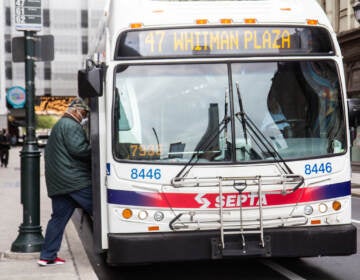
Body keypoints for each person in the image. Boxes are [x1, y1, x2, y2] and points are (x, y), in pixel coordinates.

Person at [38, 97, 92, 266]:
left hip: (59, 183)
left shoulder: (60, 125)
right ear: (75, 111)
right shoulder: (71, 125)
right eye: (83, 113)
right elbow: (79, 150)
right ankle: (112, 247)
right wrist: (97, 147)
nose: (84, 116)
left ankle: (47, 256)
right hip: (74, 180)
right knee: (103, 210)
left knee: (58, 219)